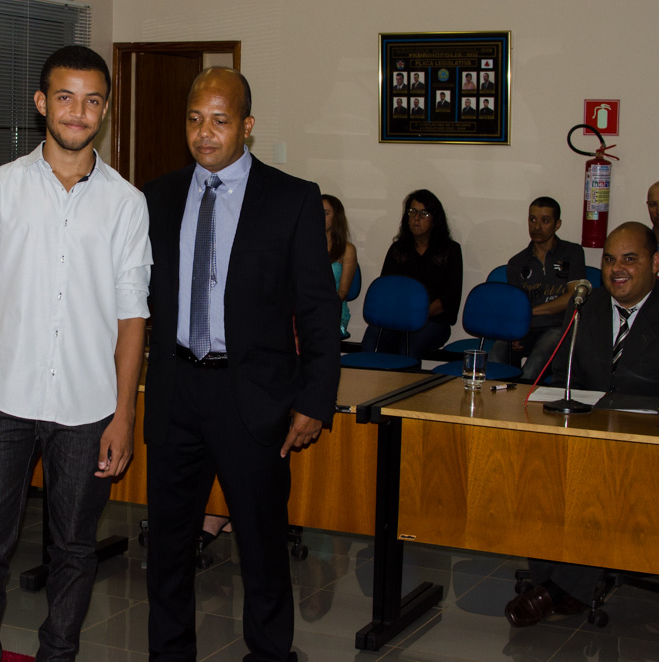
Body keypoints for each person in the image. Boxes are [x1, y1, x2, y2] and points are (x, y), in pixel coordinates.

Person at [0, 45, 152, 661]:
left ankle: (58, 654)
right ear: (41, 103)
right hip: (3, 398)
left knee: (74, 550)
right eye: (65, 97)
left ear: (105, 110)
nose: (78, 111)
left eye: (92, 100)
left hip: (87, 407)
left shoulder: (127, 203)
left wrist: (124, 414)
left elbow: (132, 317)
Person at [142, 67, 340, 662]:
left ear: (247, 126)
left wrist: (315, 398)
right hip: (176, 391)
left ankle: (270, 654)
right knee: (168, 549)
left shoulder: (291, 198)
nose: (205, 133)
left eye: (220, 120)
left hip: (252, 397)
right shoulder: (155, 197)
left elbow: (317, 307)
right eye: (195, 119)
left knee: (261, 546)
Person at [506, 222, 659, 627]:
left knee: (601, 484)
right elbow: (563, 375)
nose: (616, 269)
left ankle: (562, 590)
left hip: (646, 445)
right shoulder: (588, 307)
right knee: (543, 471)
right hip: (591, 432)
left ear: (656, 263)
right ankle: (553, 581)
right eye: (609, 259)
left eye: (630, 259)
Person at [489, 197, 585, 381]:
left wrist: (531, 311)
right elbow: (516, 307)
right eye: (532, 219)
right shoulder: (517, 262)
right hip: (527, 327)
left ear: (557, 224)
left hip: (559, 327)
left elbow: (572, 297)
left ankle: (522, 397)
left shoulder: (573, 253)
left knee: (532, 368)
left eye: (545, 221)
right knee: (495, 358)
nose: (537, 227)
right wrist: (515, 331)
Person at [361, 189, 463, 359]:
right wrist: (401, 316)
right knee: (371, 342)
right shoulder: (398, 250)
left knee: (409, 346)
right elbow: (386, 291)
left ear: (435, 220)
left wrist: (417, 315)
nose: (417, 218)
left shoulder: (450, 251)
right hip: (397, 319)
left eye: (424, 213)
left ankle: (409, 378)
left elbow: (450, 298)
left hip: (432, 322)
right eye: (412, 212)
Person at [324, 194, 358, 339]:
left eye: (326, 213)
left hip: (333, 310)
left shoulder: (347, 249)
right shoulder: (305, 247)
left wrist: (320, 309)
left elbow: (343, 292)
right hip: (307, 309)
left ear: (336, 217)